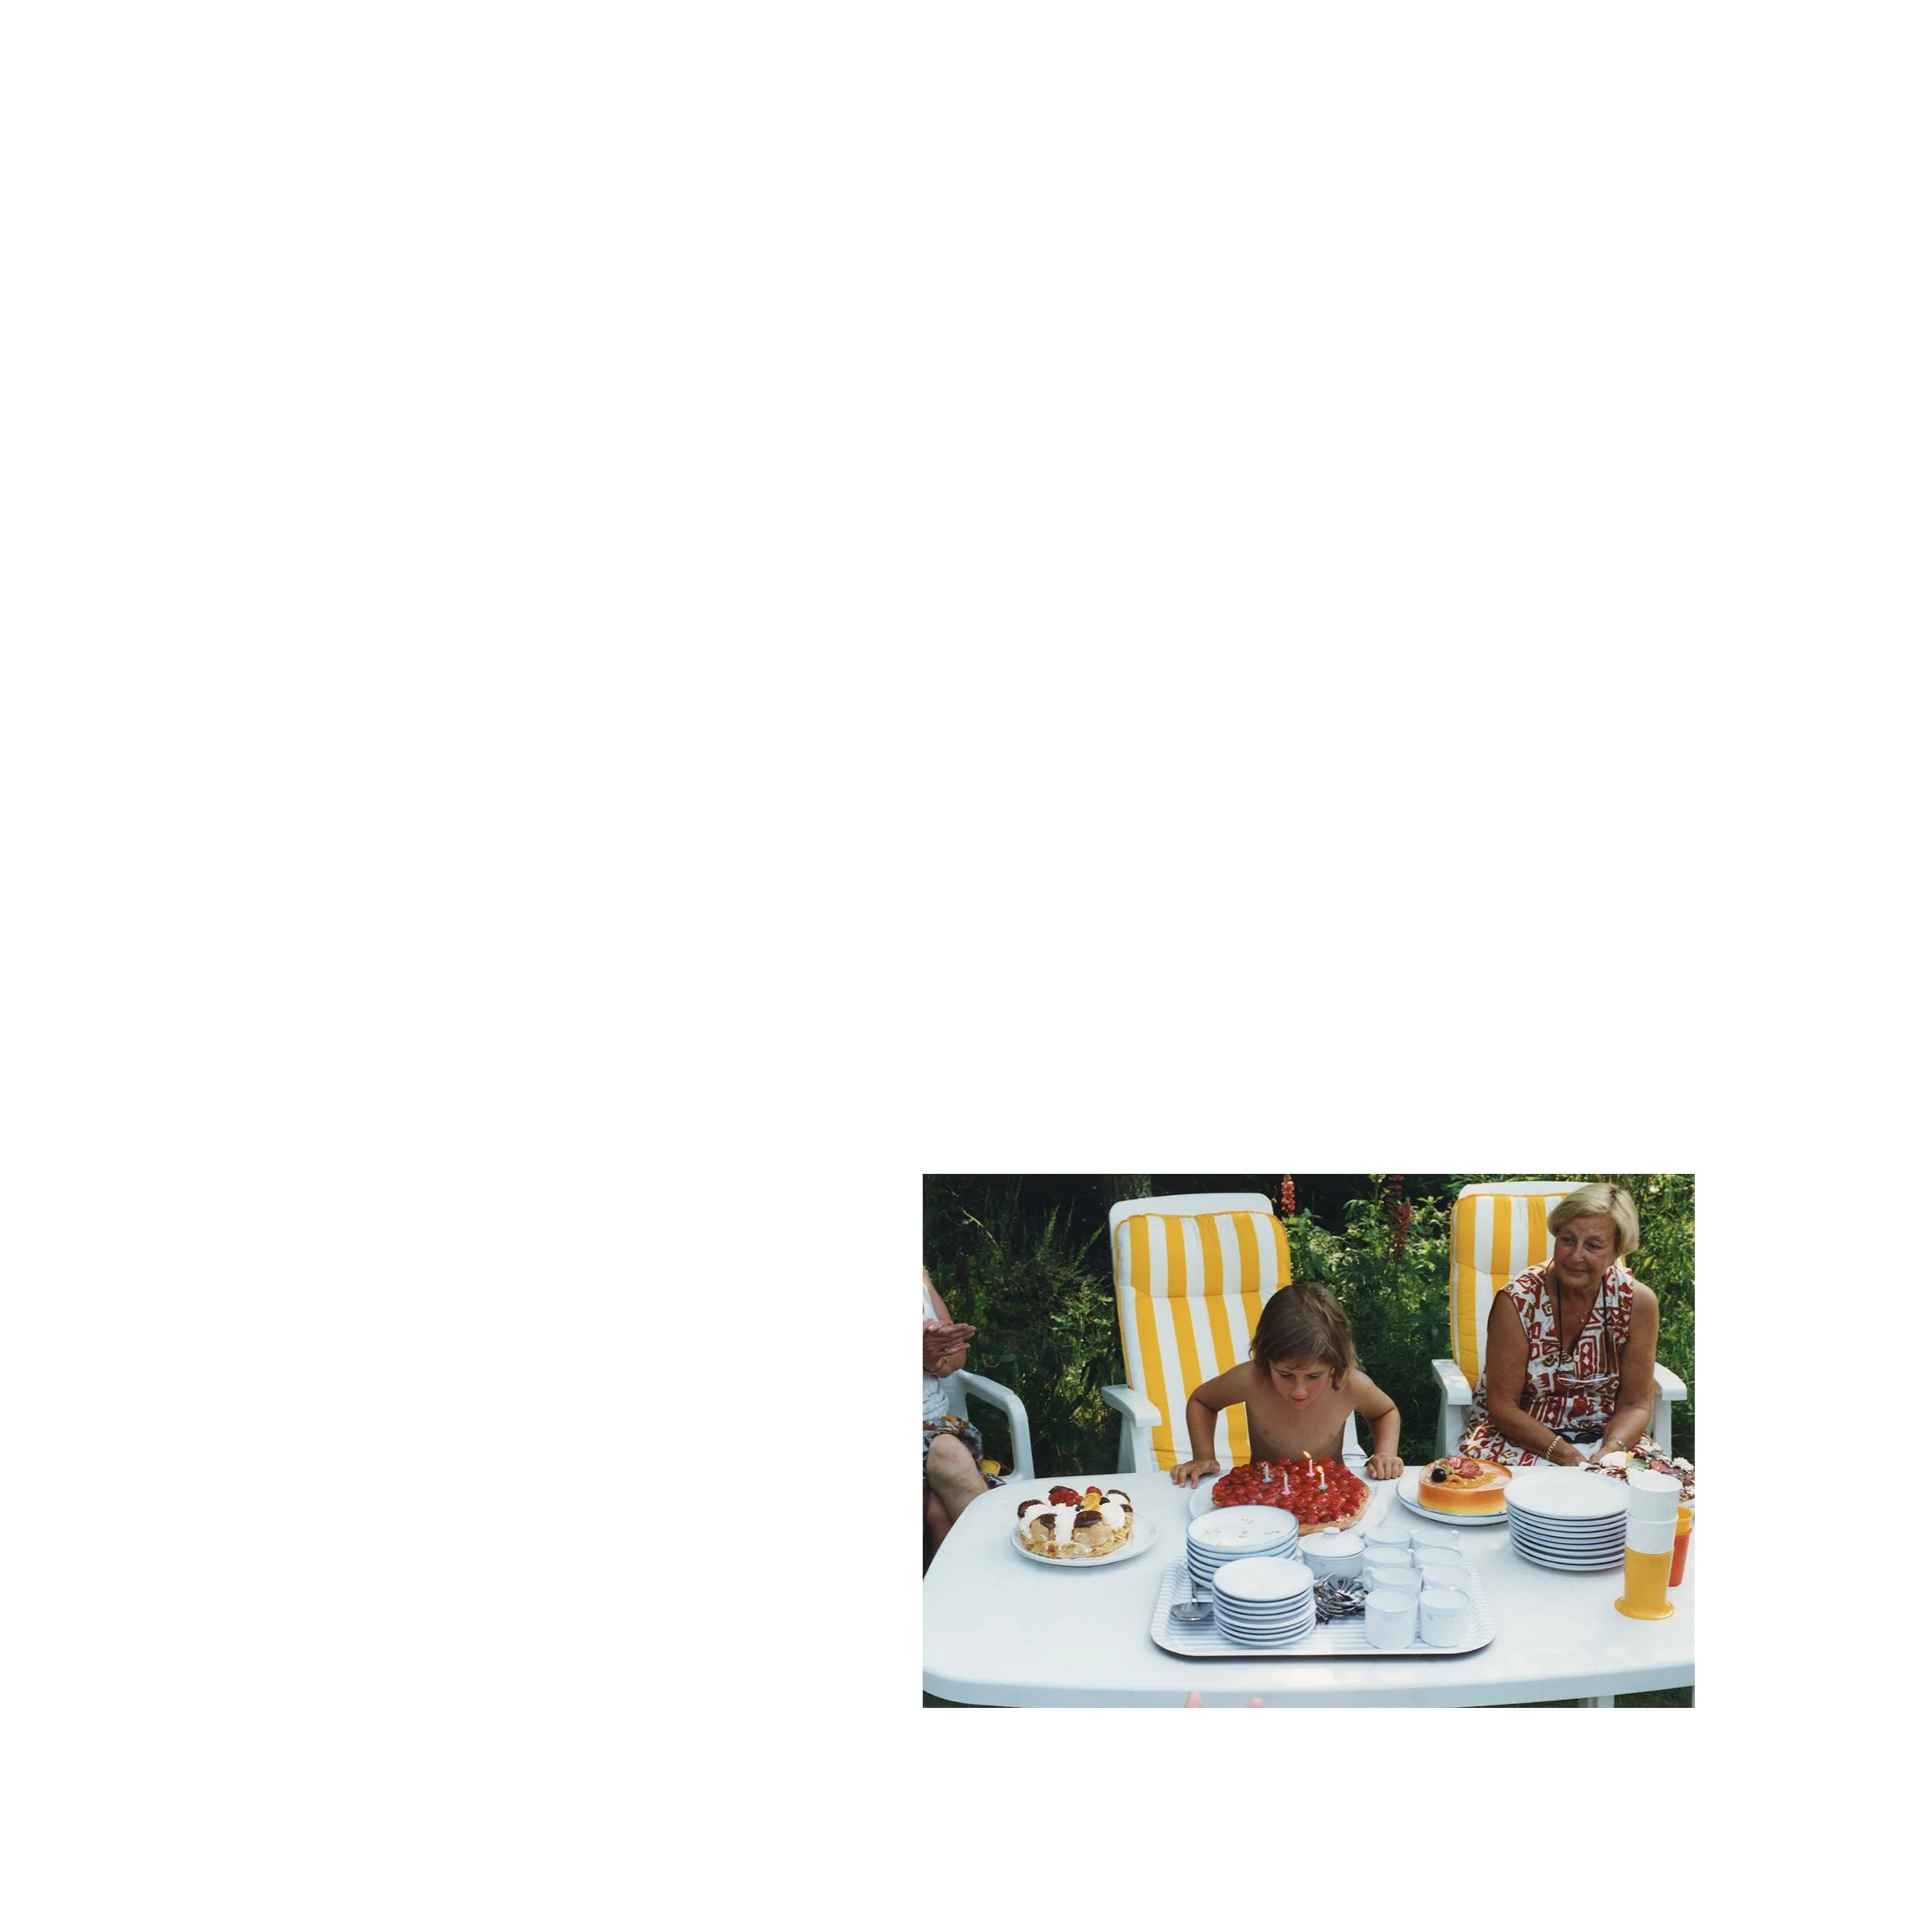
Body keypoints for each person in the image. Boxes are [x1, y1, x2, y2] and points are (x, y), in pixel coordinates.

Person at [1458, 1181, 1662, 1470]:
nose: (1576, 1256)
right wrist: (1568, 1457)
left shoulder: (1637, 1303)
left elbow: (1635, 1404)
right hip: (1521, 1437)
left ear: (1617, 1251)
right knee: (1522, 1494)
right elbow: (1503, 1408)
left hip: (1608, 1436)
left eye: (1593, 1246)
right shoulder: (1518, 1300)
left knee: (1666, 1489)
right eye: (1567, 1240)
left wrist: (1610, 1452)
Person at [1168, 1279, 1404, 1487]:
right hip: (1262, 1492)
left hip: (1330, 1495)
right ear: (1265, 1359)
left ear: (1336, 1365)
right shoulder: (1251, 1380)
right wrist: (1203, 1456)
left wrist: (1385, 1454)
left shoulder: (1349, 1385)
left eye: (1313, 1377)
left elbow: (1385, 1412)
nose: (1298, 1390)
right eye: (1284, 1375)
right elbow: (1203, 1401)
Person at [923, 1267, 995, 1553]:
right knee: (939, 1507)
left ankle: (989, 1566)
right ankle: (995, 1564)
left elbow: (955, 1360)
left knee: (939, 1510)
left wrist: (931, 1360)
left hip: (937, 1425)